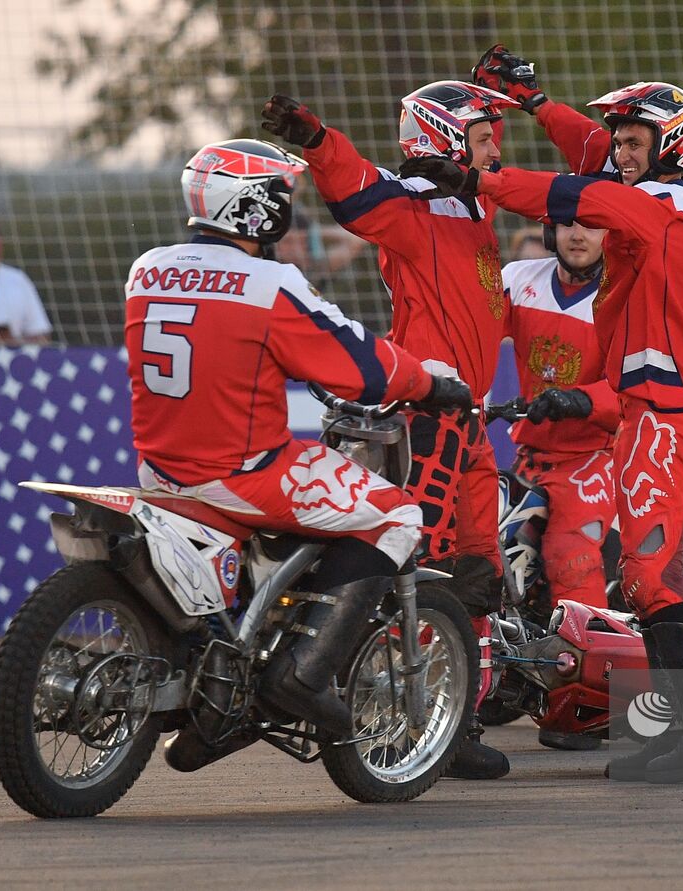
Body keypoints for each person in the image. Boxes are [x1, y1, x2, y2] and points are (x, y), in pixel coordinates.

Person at [416, 46, 683, 785]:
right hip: (648, 408)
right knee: (647, 576)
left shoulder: (653, 207)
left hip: (662, 412)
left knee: (651, 578)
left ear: (673, 145)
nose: (618, 152)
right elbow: (588, 148)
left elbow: (569, 190)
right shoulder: (650, 189)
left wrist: (478, 179)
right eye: (621, 142)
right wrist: (536, 105)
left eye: (633, 142)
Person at [126, 138, 471, 772]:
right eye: (283, 195)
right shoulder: (268, 282)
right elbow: (359, 364)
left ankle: (228, 691)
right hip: (243, 474)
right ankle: (303, 676)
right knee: (396, 514)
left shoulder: (147, 269)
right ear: (258, 207)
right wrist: (428, 381)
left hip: (160, 470)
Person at [261, 82, 518, 779]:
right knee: (424, 566)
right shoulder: (413, 207)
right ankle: (396, 718)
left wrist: (508, 96)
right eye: (484, 135)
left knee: (479, 572)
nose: (496, 148)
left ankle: (453, 721)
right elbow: (355, 192)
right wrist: (319, 141)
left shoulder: (477, 200)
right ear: (446, 140)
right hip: (430, 417)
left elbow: (538, 188)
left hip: (471, 418)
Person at [501, 220, 618, 751]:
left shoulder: (623, 295)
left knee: (571, 557)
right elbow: (468, 328)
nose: (579, 235)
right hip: (530, 454)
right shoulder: (517, 280)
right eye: (569, 223)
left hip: (597, 454)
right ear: (550, 229)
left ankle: (584, 708)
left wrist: (583, 400)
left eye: (593, 226)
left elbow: (639, 384)